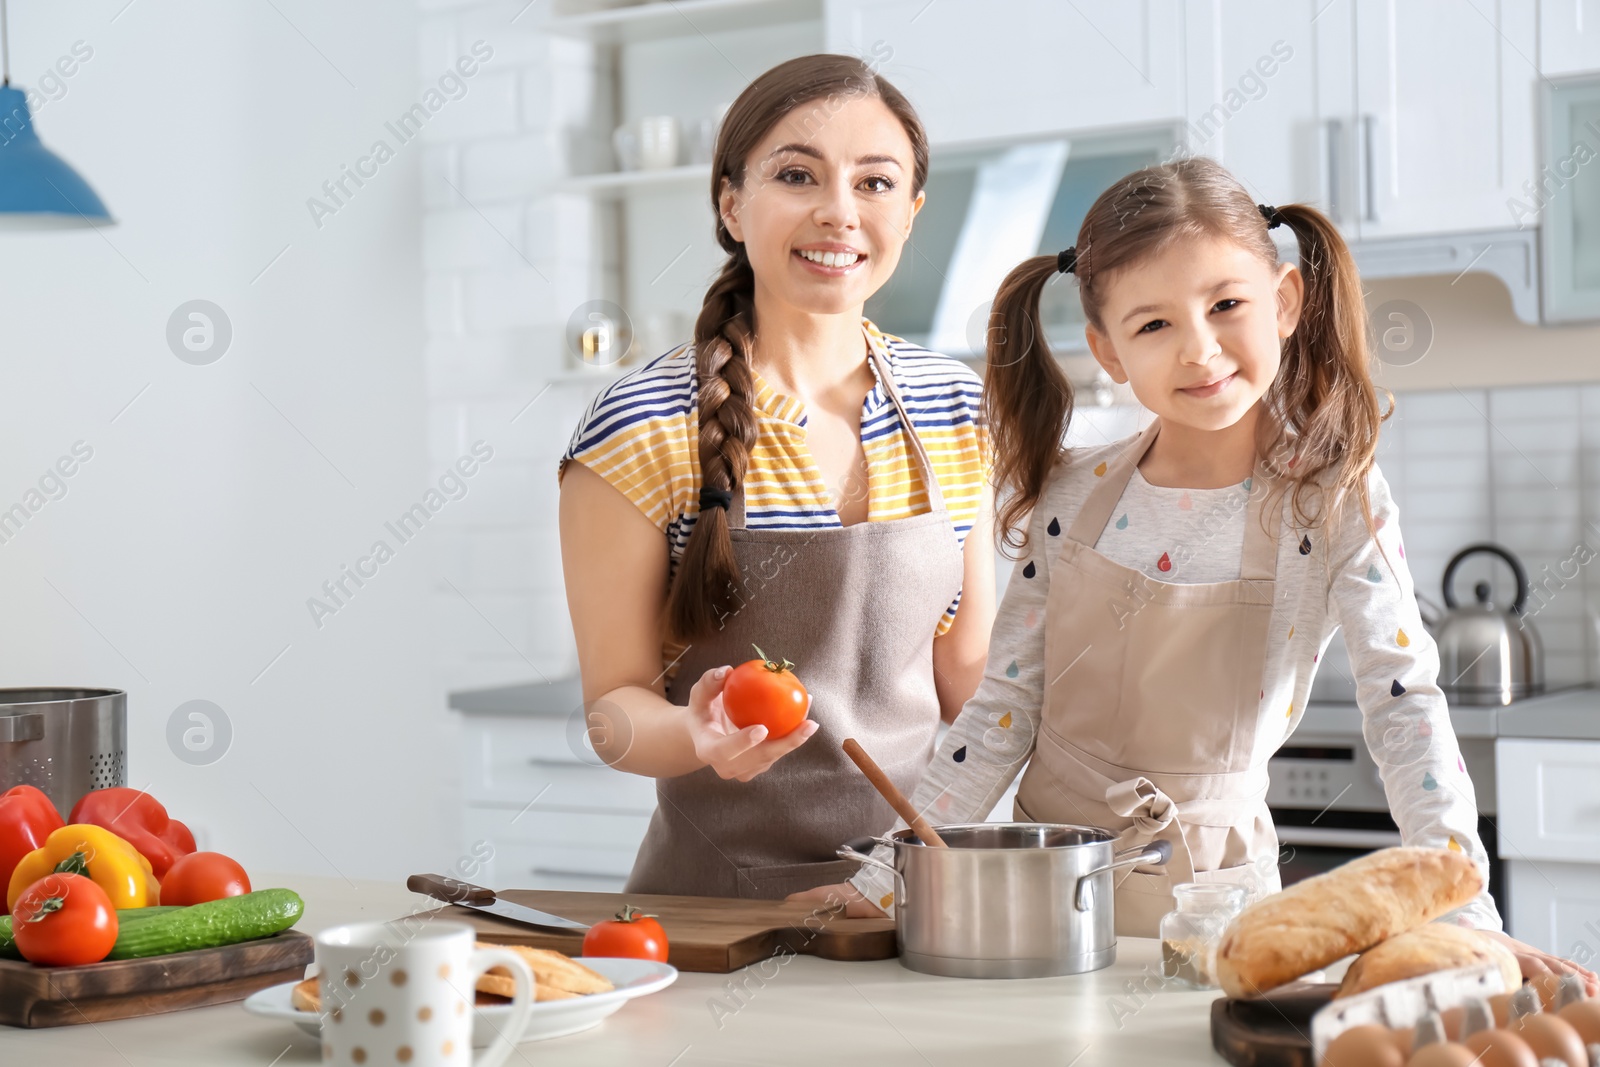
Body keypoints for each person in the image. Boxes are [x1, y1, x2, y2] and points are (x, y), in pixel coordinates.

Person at [814, 155, 1595, 988]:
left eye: (1226, 305)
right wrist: (884, 877)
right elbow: (1003, 709)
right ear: (1109, 352)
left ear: (1285, 302)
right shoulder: (1072, 493)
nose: (1200, 349)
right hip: (1044, 907)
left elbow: (1404, 706)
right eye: (1153, 326)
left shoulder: (1331, 497)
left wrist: (1463, 908)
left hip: (1219, 914)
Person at [558, 54, 994, 899]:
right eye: (798, 175)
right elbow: (613, 712)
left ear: (910, 213)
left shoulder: (957, 405)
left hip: (912, 902)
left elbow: (966, 685)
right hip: (716, 913)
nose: (839, 212)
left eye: (875, 183)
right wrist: (697, 734)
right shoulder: (641, 424)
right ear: (731, 203)